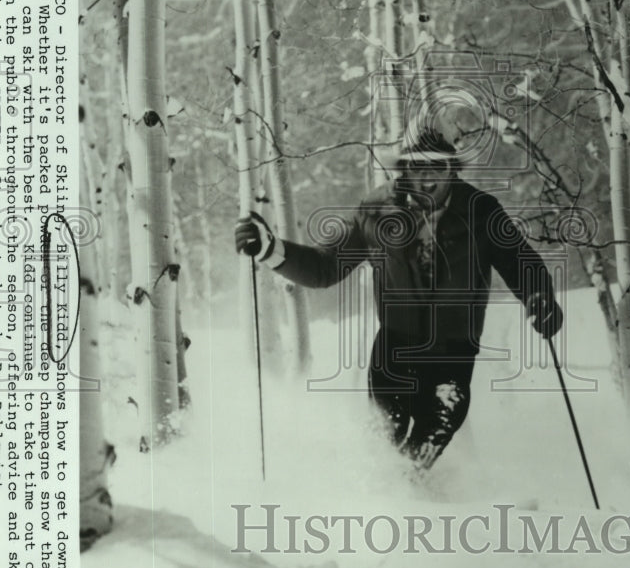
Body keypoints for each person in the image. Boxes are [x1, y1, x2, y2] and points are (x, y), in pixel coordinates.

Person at [235, 128, 562, 470]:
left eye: (438, 168)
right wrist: (272, 251)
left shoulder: (482, 212)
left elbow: (520, 263)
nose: (427, 178)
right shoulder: (376, 211)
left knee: (431, 435)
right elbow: (325, 267)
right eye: (417, 168)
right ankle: (375, 500)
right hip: (395, 347)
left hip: (454, 351)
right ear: (403, 171)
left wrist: (540, 298)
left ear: (453, 170)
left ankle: (413, 501)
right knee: (385, 440)